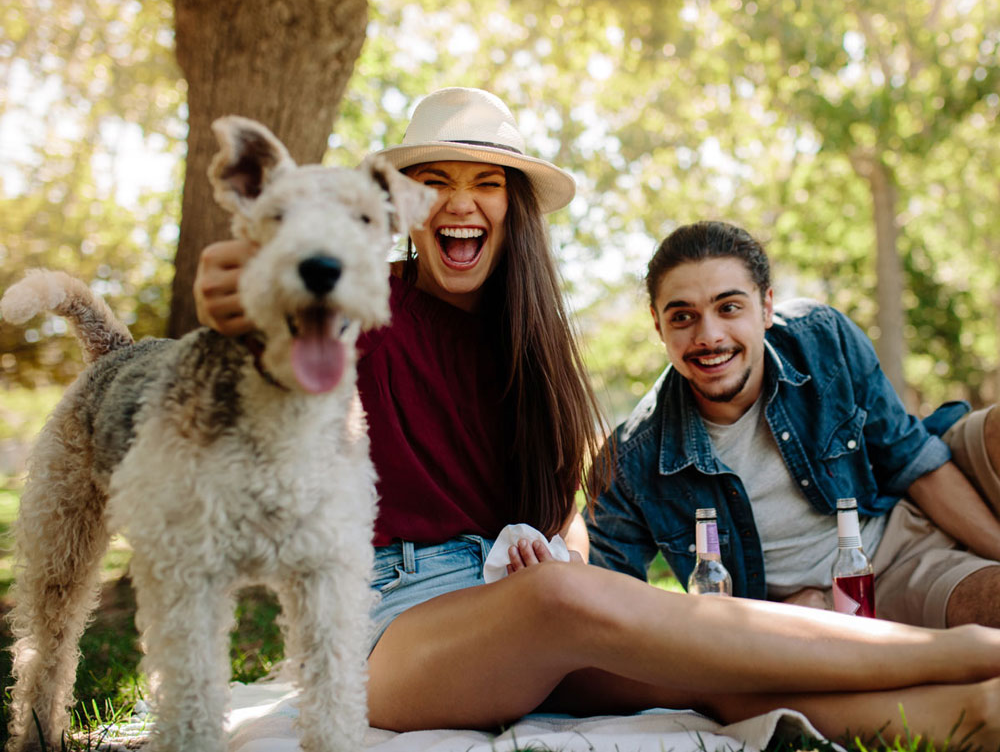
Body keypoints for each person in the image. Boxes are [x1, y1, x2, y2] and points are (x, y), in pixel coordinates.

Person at [195, 89, 1000, 746]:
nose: (459, 202)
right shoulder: (362, 298)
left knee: (711, 674)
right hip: (384, 620)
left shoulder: (532, 342)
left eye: (485, 182)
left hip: (501, 594)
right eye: (435, 181)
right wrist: (235, 289)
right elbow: (267, 318)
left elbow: (565, 513)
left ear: (514, 207)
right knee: (567, 603)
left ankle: (976, 713)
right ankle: (969, 652)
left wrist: (549, 544)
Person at [587, 220, 1000, 632]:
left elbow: (912, 459)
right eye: (682, 317)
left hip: (894, 511)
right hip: (862, 589)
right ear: (658, 325)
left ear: (766, 307)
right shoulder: (630, 462)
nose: (709, 336)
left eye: (729, 307)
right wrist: (782, 617)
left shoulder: (820, 337)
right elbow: (606, 604)